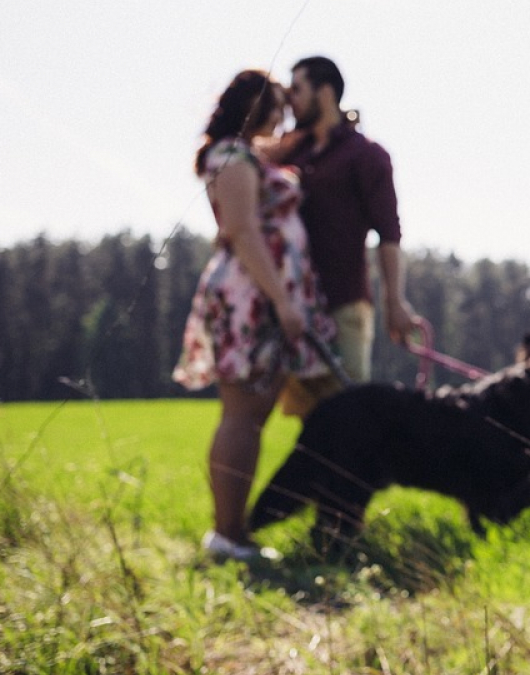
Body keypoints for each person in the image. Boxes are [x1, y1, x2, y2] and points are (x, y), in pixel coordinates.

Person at [173, 69, 337, 562]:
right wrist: (285, 302)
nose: (283, 114)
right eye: (277, 105)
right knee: (243, 415)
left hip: (261, 296)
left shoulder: (245, 153)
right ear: (255, 106)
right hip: (255, 297)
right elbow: (244, 232)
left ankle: (234, 532)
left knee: (251, 416)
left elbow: (281, 150)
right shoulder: (233, 157)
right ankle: (228, 535)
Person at [278, 55, 421, 394]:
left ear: (324, 93)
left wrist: (395, 300)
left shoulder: (366, 155)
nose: (289, 101)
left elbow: (389, 232)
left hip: (343, 304)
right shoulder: (291, 154)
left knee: (344, 415)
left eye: (296, 90)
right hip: (290, 308)